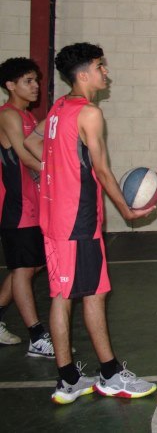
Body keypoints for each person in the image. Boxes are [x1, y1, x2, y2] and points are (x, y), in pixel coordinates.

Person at [26, 43, 157, 403]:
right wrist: (127, 211)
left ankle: (70, 378)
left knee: (64, 293)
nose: (106, 73)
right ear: (83, 74)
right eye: (101, 66)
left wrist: (54, 173)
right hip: (76, 221)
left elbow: (32, 142)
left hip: (56, 218)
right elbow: (100, 169)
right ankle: (110, 374)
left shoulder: (58, 108)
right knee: (90, 295)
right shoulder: (89, 114)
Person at [0, 58, 52, 356]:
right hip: (16, 205)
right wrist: (60, 177)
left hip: (35, 203)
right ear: (10, 85)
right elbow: (24, 156)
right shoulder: (8, 116)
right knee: (23, 268)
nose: (35, 86)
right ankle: (36, 336)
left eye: (36, 80)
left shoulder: (29, 117)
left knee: (30, 266)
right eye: (28, 81)